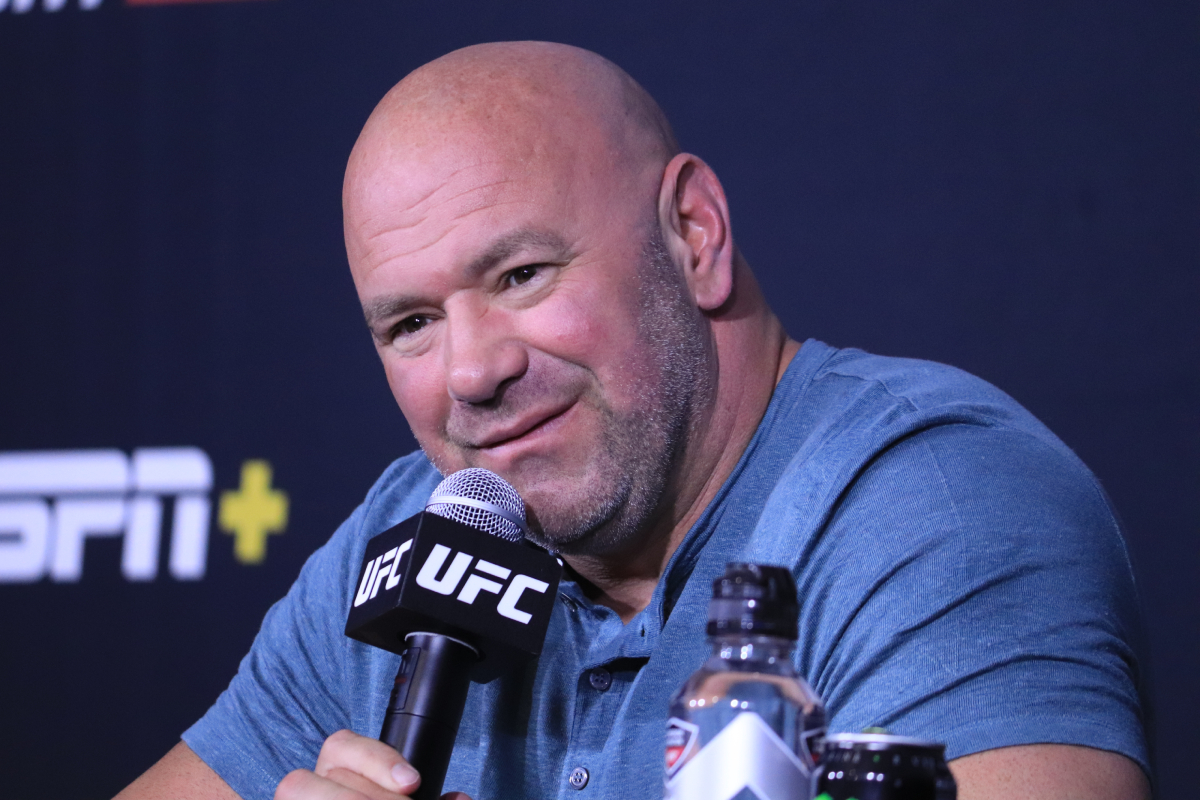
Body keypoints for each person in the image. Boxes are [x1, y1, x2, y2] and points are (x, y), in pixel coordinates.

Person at [116, 41, 1150, 800]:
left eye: (521, 274)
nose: (472, 371)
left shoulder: (935, 504)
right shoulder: (415, 537)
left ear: (694, 235)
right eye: (412, 324)